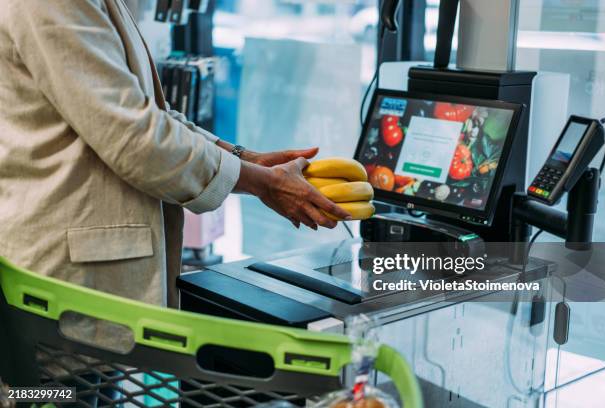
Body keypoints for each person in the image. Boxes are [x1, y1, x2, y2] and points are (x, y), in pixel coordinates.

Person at [0, 0, 351, 311]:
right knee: (57, 388)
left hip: (82, 284)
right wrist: (264, 184)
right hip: (62, 288)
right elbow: (136, 139)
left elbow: (150, 113)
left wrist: (248, 160)